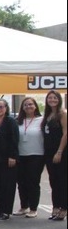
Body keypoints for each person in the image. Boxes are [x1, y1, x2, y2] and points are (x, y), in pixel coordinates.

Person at [14, 97, 44, 218]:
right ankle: (24, 206)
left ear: (35, 106)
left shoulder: (41, 120)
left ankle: (33, 208)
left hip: (36, 154)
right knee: (21, 182)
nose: (28, 107)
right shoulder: (18, 121)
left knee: (33, 181)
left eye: (30, 104)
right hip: (21, 155)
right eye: (25, 105)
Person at [42, 90, 67, 221]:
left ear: (59, 99)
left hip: (60, 152)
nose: (52, 100)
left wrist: (60, 151)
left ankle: (63, 208)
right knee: (53, 181)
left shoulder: (62, 114)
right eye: (50, 98)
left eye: (55, 98)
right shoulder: (48, 115)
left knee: (62, 180)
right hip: (48, 152)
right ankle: (55, 206)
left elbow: (65, 133)